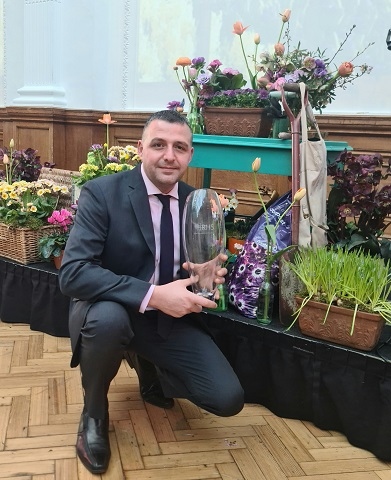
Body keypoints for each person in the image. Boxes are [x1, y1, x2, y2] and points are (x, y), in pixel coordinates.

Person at [58, 110, 244, 475]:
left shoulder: (198, 203)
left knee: (227, 399)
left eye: (180, 147)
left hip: (167, 320)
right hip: (112, 311)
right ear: (141, 148)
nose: (169, 155)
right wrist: (154, 295)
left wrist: (206, 275)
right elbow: (73, 273)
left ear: (190, 155)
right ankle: (93, 413)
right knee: (108, 321)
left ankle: (147, 362)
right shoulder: (102, 193)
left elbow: (201, 266)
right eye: (158, 145)